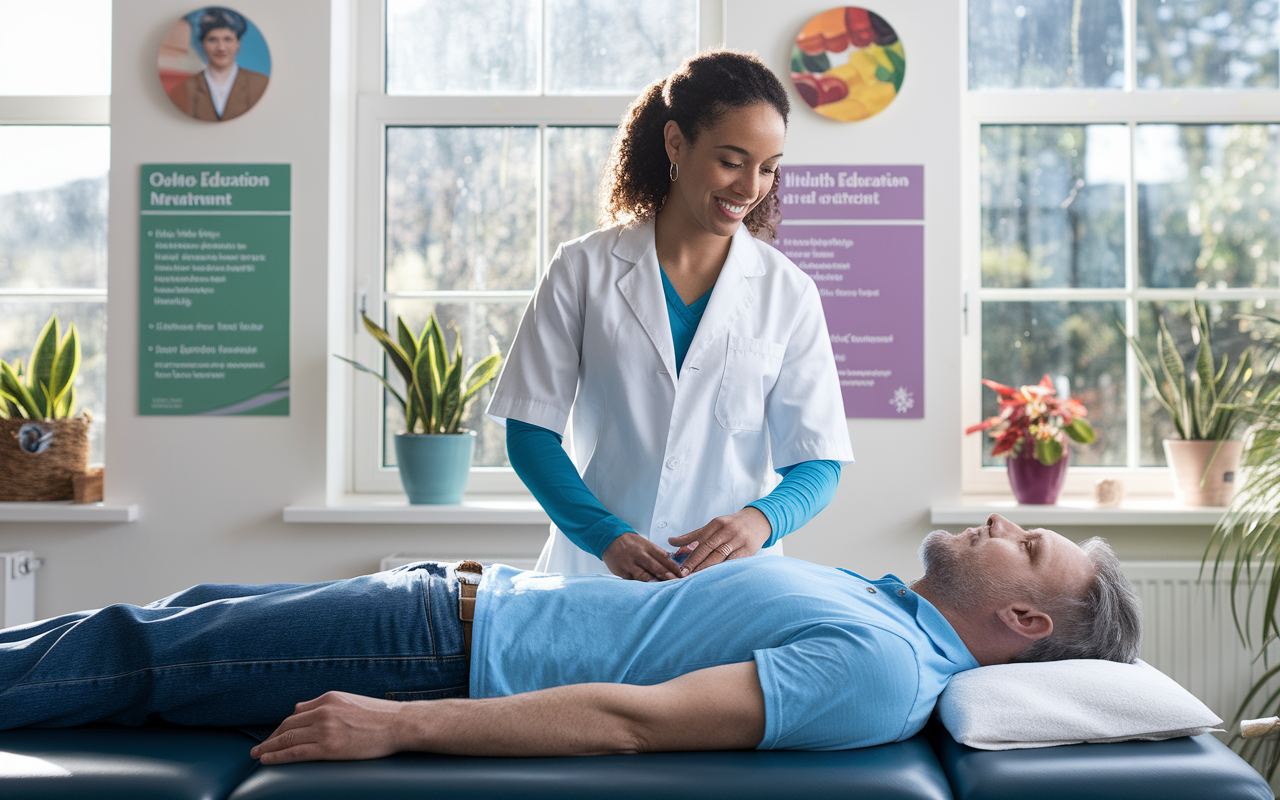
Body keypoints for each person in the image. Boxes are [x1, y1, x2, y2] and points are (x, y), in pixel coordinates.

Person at [0, 515, 1141, 764]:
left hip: (431, 651)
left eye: (1026, 541)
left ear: (1025, 620)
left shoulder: (881, 670)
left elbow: (630, 719)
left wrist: (397, 722)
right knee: (154, 623)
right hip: (446, 599)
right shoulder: (888, 610)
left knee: (119, 650)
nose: (1000, 519)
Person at [487, 49, 855, 581]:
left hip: (728, 583)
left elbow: (818, 459)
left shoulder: (788, 293)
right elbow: (529, 430)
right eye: (731, 161)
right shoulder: (582, 268)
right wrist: (604, 535)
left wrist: (759, 521)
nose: (750, 188)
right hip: (596, 574)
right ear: (676, 143)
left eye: (768, 169)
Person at [166, 7, 268, 122]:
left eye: (228, 39)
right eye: (212, 40)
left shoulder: (261, 84)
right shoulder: (184, 89)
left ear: (238, 44)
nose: (221, 48)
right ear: (202, 44)